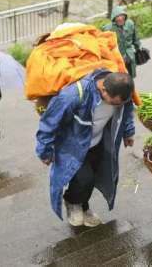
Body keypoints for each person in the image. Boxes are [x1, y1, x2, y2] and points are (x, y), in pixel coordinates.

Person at [36, 70, 135, 227]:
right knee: (84, 178)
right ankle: (70, 200)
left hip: (98, 143)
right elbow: (49, 123)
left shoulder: (120, 93)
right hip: (72, 148)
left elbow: (127, 109)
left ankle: (84, 206)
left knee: (93, 178)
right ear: (103, 89)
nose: (117, 106)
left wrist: (128, 132)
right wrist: (44, 151)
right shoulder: (73, 95)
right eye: (114, 103)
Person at [103, 6, 142, 78]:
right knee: (121, 80)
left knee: (130, 78)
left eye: (122, 16)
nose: (120, 18)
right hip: (117, 59)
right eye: (117, 17)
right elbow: (104, 46)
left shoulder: (130, 24)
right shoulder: (108, 29)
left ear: (125, 16)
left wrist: (139, 48)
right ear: (114, 19)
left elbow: (135, 38)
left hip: (129, 56)